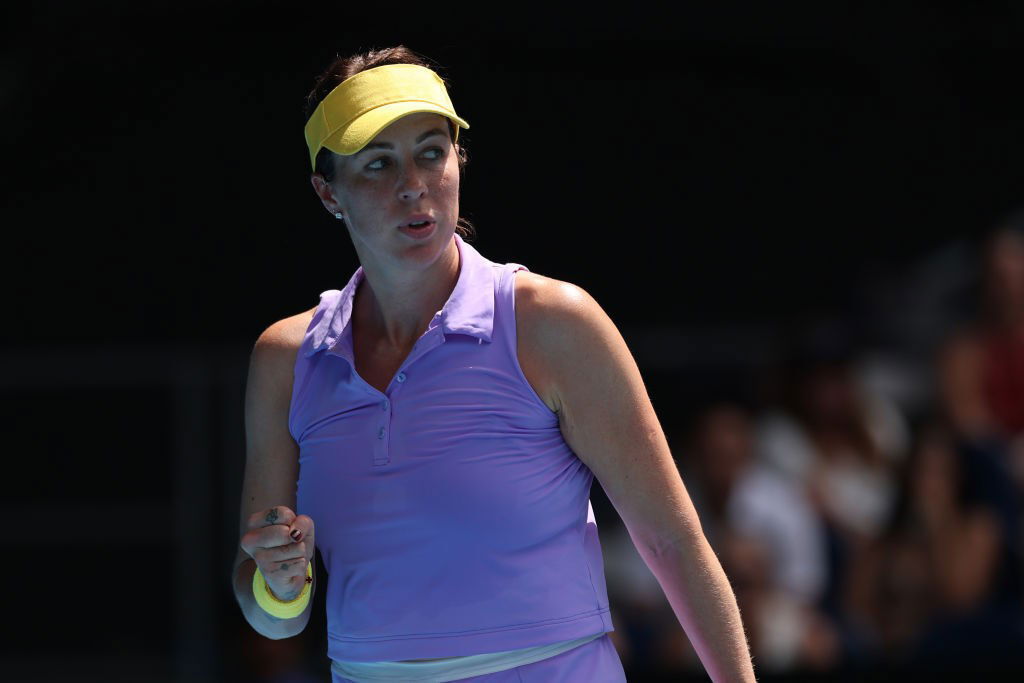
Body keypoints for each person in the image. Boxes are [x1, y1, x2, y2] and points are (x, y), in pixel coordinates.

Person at [230, 45, 756, 682]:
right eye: (377, 164)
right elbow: (274, 614)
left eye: (431, 151)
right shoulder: (285, 360)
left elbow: (673, 544)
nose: (413, 185)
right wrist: (277, 585)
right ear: (327, 192)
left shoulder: (554, 323)